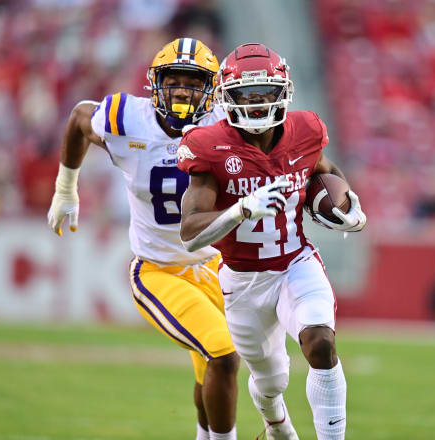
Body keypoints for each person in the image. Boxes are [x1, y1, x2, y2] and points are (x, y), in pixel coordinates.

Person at [46, 38, 240, 440]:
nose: (184, 90)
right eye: (175, 80)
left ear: (212, 88)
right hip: (159, 270)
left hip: (216, 266)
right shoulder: (127, 119)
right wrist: (66, 188)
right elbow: (81, 117)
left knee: (213, 367)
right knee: (222, 353)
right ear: (156, 82)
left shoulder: (226, 125)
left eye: (194, 81)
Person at [178, 43, 367, 440]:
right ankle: (276, 421)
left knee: (320, 344)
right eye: (245, 95)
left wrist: (346, 201)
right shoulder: (208, 145)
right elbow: (191, 231)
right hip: (242, 280)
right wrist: (241, 210)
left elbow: (325, 171)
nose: (256, 103)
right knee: (271, 380)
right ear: (227, 99)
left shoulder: (306, 131)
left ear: (284, 92)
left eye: (265, 92)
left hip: (295, 263)